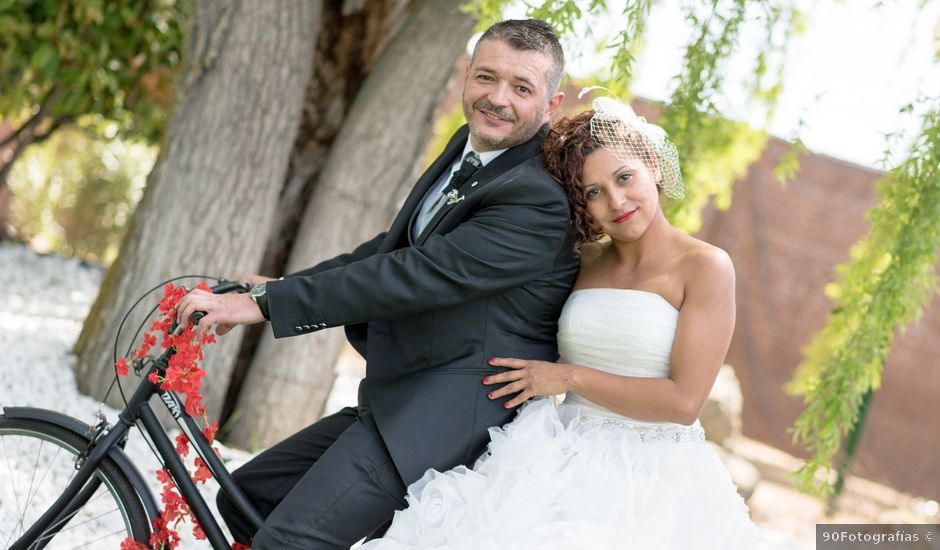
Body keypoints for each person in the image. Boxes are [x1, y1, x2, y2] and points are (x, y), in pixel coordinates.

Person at [175, 19, 578, 549]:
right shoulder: (470, 148)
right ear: (465, 75)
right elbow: (395, 250)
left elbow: (417, 275)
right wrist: (276, 287)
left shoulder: (536, 199)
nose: (497, 98)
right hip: (400, 394)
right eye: (486, 77)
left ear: (550, 104)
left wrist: (269, 306)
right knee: (246, 496)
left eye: (521, 88)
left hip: (446, 416)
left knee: (288, 541)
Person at [360, 95, 761, 550]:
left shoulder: (706, 266)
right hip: (551, 449)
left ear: (652, 165)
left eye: (625, 177)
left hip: (645, 475)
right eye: (593, 192)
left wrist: (565, 376)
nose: (616, 201)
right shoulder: (581, 259)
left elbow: (683, 402)